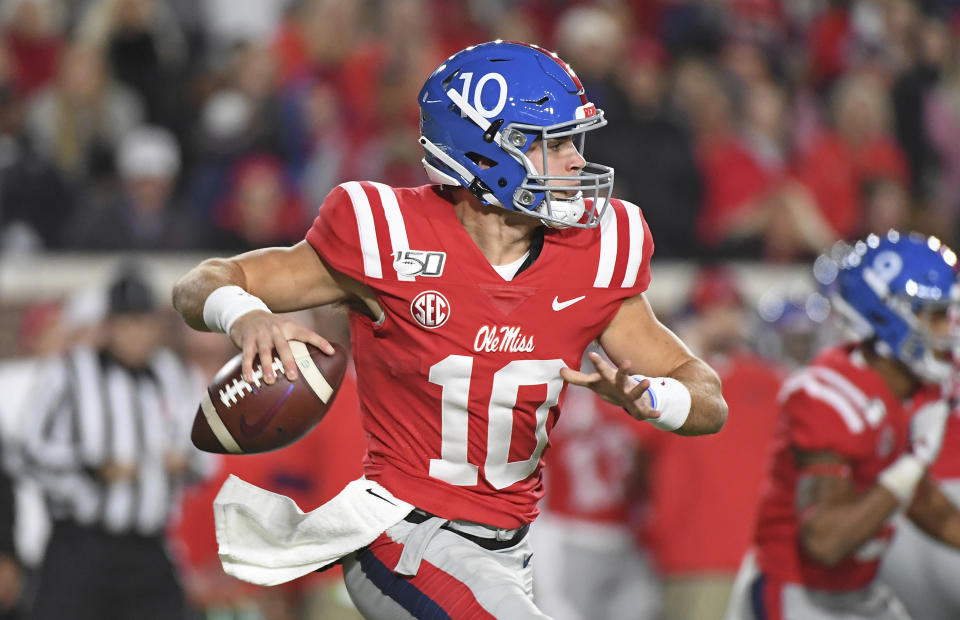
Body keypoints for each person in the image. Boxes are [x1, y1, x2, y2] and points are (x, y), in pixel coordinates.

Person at [173, 40, 727, 619]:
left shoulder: (593, 252)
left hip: (508, 550)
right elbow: (200, 284)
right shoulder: (388, 236)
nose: (575, 162)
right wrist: (245, 313)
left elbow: (709, 398)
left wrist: (653, 398)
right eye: (554, 142)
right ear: (487, 154)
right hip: (403, 537)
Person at [725, 231, 960, 620]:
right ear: (887, 314)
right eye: (933, 315)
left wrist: (910, 472)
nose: (945, 331)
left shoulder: (905, 390)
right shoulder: (827, 395)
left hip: (859, 590)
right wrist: (914, 463)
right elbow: (825, 540)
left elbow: (920, 502)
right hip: (797, 593)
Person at [20, 266, 215, 620]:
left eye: (145, 323)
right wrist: (90, 468)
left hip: (147, 545)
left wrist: (183, 462)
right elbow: (31, 448)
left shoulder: (175, 376)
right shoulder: (68, 373)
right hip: (80, 544)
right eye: (128, 323)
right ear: (108, 325)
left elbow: (207, 455)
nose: (137, 335)